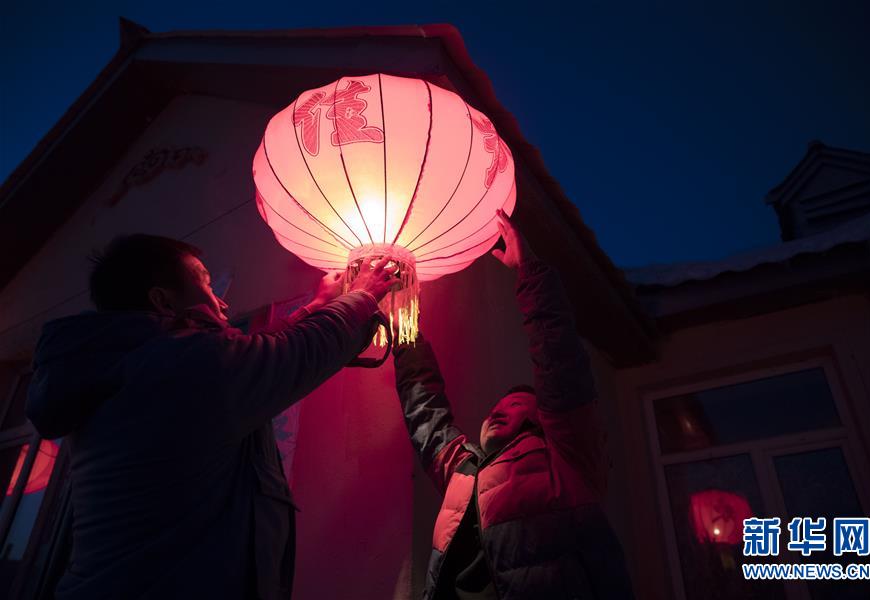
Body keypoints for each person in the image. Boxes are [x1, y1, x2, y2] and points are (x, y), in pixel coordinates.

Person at [26, 234, 396, 599]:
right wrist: (361, 295)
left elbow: (247, 358)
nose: (221, 300)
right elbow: (293, 355)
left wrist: (314, 307)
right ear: (163, 301)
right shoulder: (180, 365)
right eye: (204, 282)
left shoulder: (128, 365)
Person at [393, 210, 633, 600]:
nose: (498, 408)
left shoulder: (566, 460)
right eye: (496, 406)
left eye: (517, 402)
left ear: (541, 420)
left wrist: (530, 272)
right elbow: (424, 407)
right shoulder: (463, 471)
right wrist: (404, 321)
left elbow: (560, 363)